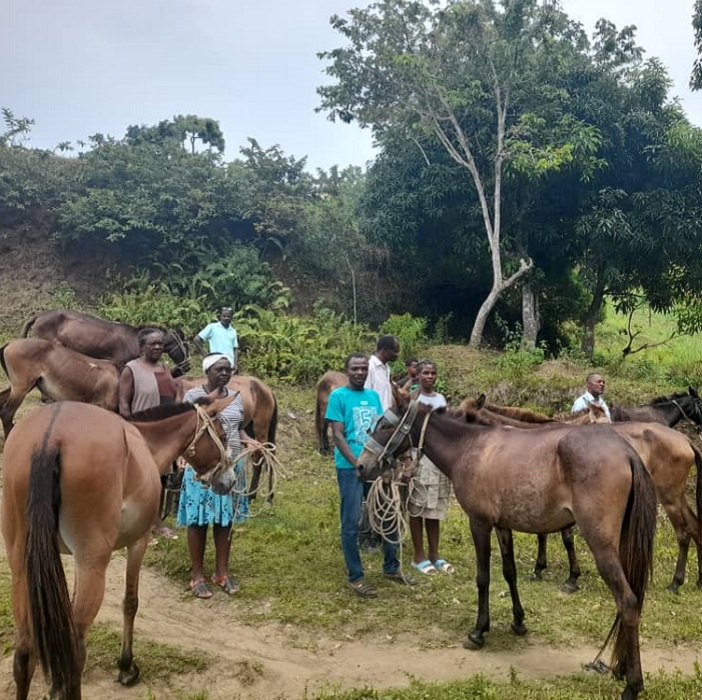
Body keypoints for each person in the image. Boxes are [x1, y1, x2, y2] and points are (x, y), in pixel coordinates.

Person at [325, 352, 416, 598]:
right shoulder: (338, 397)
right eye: (355, 369)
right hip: (350, 466)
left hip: (376, 465)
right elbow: (338, 434)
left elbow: (379, 432)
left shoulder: (374, 396)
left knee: (388, 516)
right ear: (347, 371)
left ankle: (392, 567)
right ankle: (355, 576)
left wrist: (391, 459)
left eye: (363, 369)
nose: (360, 372)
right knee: (351, 521)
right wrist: (356, 462)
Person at [177, 353, 260, 599]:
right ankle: (197, 575)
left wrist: (248, 441)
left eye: (228, 369)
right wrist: (181, 455)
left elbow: (238, 427)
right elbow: (184, 430)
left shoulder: (236, 398)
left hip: (231, 465)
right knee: (198, 521)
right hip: (203, 467)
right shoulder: (193, 397)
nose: (224, 373)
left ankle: (221, 573)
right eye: (219, 369)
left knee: (225, 520)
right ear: (207, 371)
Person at [119, 328, 179, 540]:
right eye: (152, 344)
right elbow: (124, 404)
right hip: (141, 432)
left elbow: (172, 400)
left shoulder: (165, 369)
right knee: (137, 478)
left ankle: (156, 522)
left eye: (160, 344)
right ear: (141, 347)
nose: (157, 347)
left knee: (160, 479)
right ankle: (134, 523)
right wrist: (134, 429)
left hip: (163, 434)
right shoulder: (131, 369)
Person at [407, 360, 454, 575]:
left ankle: (435, 554)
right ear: (418, 375)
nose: (430, 376)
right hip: (419, 458)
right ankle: (418, 556)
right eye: (425, 373)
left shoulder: (440, 399)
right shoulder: (412, 398)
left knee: (434, 509)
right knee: (417, 507)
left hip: (438, 460)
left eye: (433, 373)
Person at [360, 334, 400, 552]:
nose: (398, 354)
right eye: (395, 350)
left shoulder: (385, 368)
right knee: (369, 485)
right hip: (372, 430)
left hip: (385, 431)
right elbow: (365, 397)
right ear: (385, 349)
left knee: (384, 482)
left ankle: (382, 530)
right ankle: (366, 534)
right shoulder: (369, 367)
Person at [194, 306, 239, 371]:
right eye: (224, 316)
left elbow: (235, 349)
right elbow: (197, 339)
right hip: (216, 364)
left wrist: (235, 364)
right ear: (220, 316)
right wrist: (206, 356)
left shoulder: (233, 331)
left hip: (230, 365)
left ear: (231, 317)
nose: (226, 318)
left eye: (228, 316)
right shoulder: (212, 327)